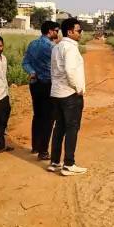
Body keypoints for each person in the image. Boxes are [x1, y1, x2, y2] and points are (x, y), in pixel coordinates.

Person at [48, 17, 87, 176]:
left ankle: (55, 162)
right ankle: (69, 164)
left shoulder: (56, 47)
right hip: (70, 94)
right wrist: (78, 88)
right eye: (79, 30)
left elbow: (54, 71)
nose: (81, 33)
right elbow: (70, 71)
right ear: (70, 32)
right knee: (72, 128)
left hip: (57, 93)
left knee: (59, 127)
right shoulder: (70, 48)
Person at [22, 21, 60, 160]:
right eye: (56, 30)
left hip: (35, 84)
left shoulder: (32, 44)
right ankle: (43, 151)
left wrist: (32, 72)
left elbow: (25, 62)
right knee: (48, 118)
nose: (58, 33)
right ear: (50, 31)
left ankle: (36, 146)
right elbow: (57, 67)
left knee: (37, 115)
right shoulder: (52, 47)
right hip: (48, 85)